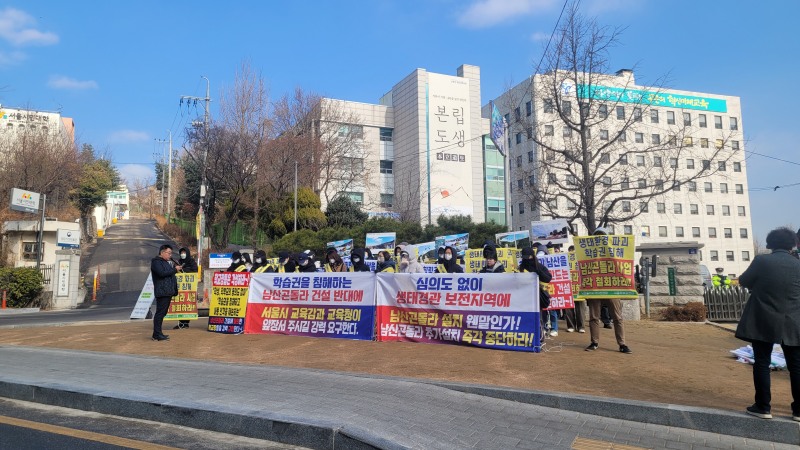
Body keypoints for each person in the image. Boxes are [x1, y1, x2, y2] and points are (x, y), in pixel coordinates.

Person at [735, 227, 800, 421]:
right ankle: (798, 411)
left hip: (764, 318)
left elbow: (744, 280)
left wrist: (759, 286)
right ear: (793, 244)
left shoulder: (762, 261)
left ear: (770, 244)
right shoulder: (798, 264)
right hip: (794, 321)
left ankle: (763, 407)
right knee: (796, 366)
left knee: (762, 363)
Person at [585, 227, 631, 353]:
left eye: (602, 236)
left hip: (612, 288)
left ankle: (622, 344)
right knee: (594, 317)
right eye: (597, 236)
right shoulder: (588, 252)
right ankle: (594, 342)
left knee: (617, 317)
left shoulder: (615, 251)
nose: (600, 238)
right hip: (594, 288)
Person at [518, 246, 553, 339]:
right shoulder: (521, 268)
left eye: (528, 257)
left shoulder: (539, 267)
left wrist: (538, 272)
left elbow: (548, 278)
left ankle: (539, 337)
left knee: (538, 317)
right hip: (524, 298)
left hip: (537, 296)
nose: (527, 259)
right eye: (524, 257)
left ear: (532, 256)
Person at [151, 244, 180, 341]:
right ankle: (157, 334)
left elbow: (169, 274)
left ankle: (158, 333)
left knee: (162, 313)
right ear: (162, 252)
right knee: (160, 313)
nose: (170, 255)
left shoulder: (166, 262)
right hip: (162, 291)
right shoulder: (156, 262)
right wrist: (174, 270)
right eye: (168, 253)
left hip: (167, 291)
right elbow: (162, 273)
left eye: (171, 253)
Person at [173, 247, 197, 330]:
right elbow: (173, 270)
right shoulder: (178, 262)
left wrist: (184, 270)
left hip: (190, 287)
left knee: (188, 303)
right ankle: (181, 322)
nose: (183, 254)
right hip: (180, 287)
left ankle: (186, 323)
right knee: (180, 304)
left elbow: (195, 271)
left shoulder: (191, 261)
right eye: (181, 253)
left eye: (184, 252)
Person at [564, 245, 586, 334]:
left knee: (580, 308)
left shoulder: (581, 260)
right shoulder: (565, 260)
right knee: (568, 308)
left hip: (579, 288)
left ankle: (581, 326)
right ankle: (571, 326)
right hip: (568, 287)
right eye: (570, 252)